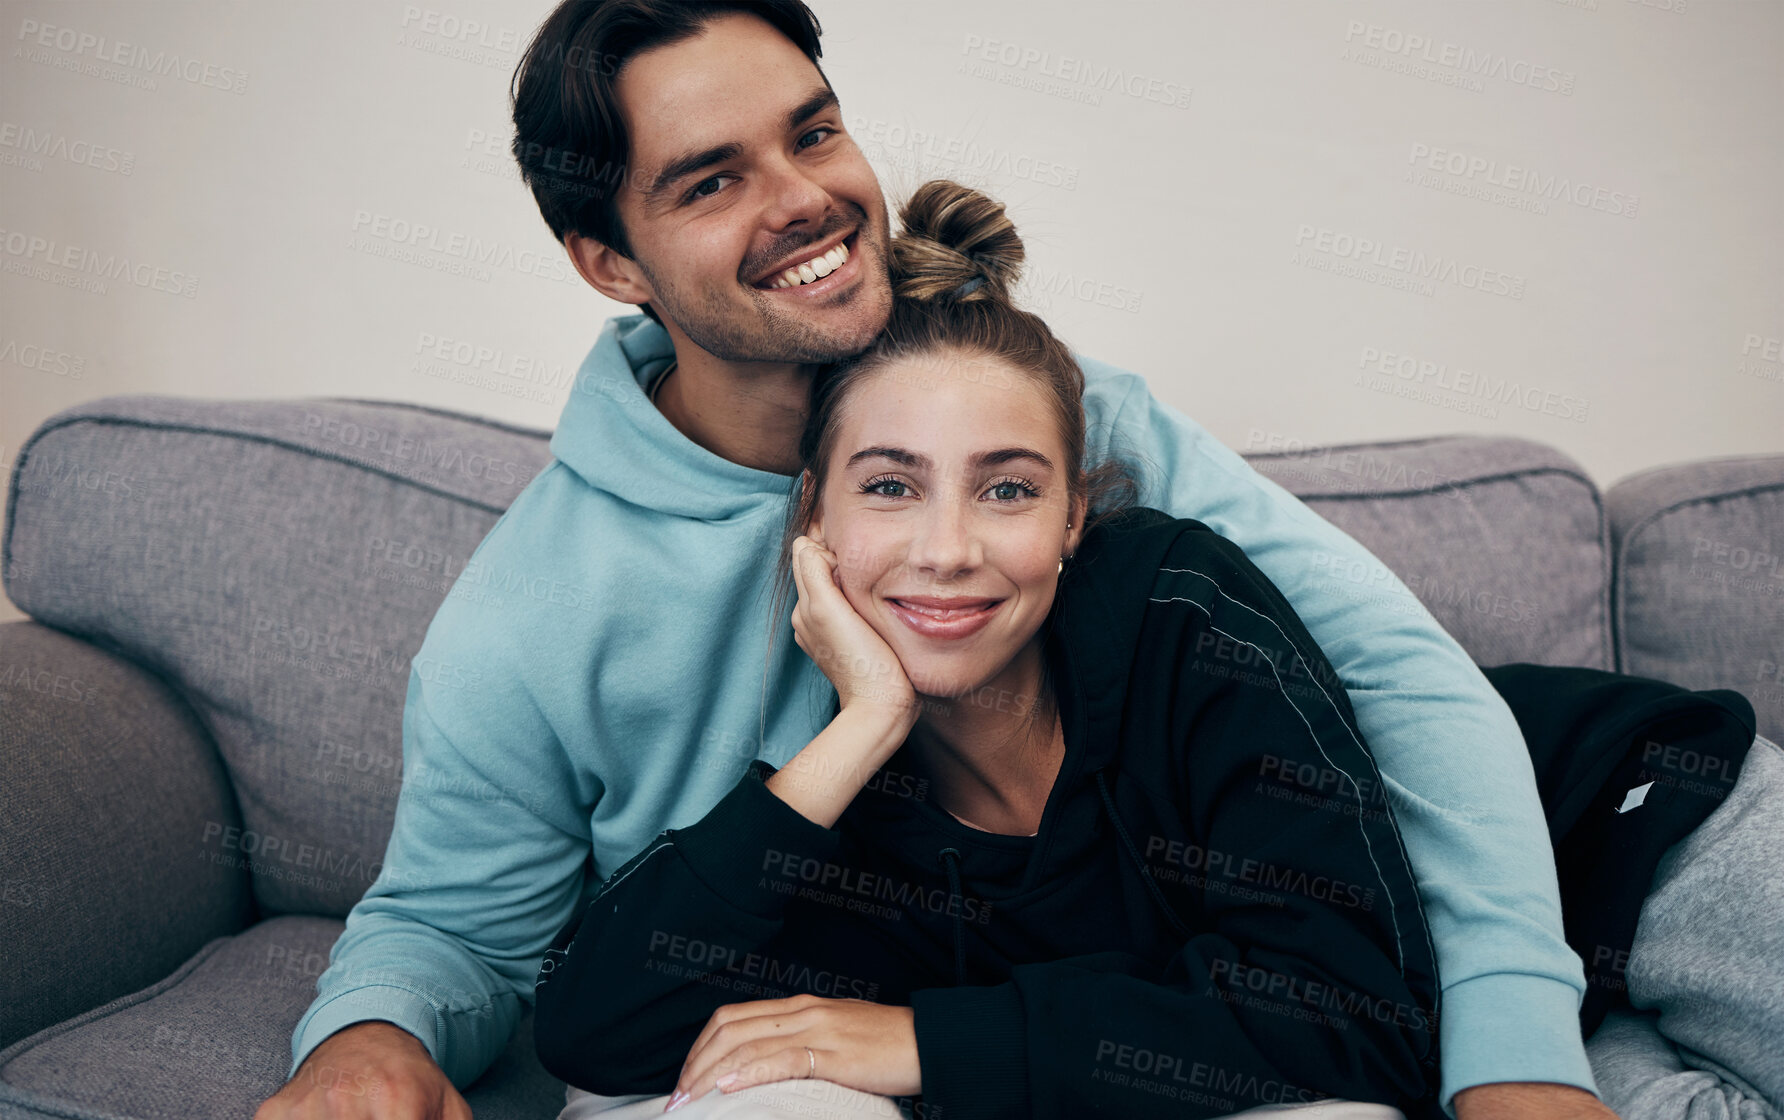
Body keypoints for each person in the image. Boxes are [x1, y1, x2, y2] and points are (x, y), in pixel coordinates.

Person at [257, 3, 1618, 1118]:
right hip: (776, 1043)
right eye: (713, 178)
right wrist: (364, 1034)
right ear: (611, 261)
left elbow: (1398, 682)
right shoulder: (529, 612)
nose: (807, 201)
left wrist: (1513, 1060)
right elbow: (461, 928)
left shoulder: (1073, 427)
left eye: (815, 132)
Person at [532, 179, 1443, 1120]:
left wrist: (931, 1040)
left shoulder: (1183, 617)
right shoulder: (837, 800)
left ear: (1073, 520)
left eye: (1007, 491)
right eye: (890, 486)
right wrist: (869, 724)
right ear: (813, 518)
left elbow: (1364, 1022)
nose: (947, 551)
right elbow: (591, 1032)